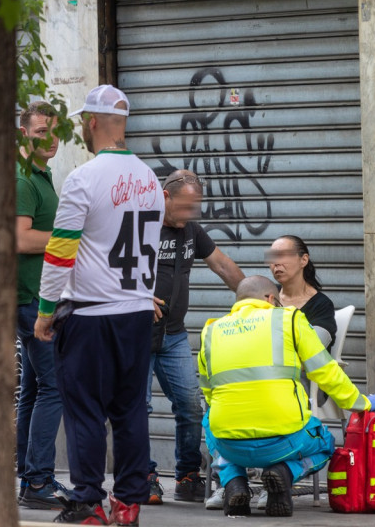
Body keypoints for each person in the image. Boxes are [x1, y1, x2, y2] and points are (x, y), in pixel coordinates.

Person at [33, 85, 165, 525]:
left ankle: (88, 499)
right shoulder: (150, 179)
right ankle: (128, 502)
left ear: (91, 122)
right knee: (130, 411)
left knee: (85, 410)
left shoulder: (83, 178)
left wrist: (45, 311)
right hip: (136, 313)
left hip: (90, 314)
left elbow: (59, 251)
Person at [198, 275, 375, 517]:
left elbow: (209, 393)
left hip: (231, 446)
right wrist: (361, 403)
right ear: (270, 299)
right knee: (326, 443)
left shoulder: (210, 331)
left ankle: (234, 481)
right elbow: (325, 370)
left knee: (210, 420)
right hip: (284, 442)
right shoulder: (289, 319)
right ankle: (285, 471)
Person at [146, 169, 244, 505]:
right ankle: (143, 476)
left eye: (195, 208)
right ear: (165, 196)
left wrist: (255, 301)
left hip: (172, 335)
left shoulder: (191, 231)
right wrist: (136, 296)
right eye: (185, 207)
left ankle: (188, 475)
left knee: (189, 405)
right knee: (138, 407)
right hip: (138, 335)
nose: (189, 214)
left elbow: (222, 265)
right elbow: (110, 266)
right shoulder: (141, 225)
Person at [14, 100, 69, 509]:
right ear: (22, 135)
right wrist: (69, 241)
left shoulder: (42, 175)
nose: (48, 140)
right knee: (55, 388)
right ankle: (38, 482)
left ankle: (29, 475)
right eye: (38, 134)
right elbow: (21, 239)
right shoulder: (23, 180)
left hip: (34, 296)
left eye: (52, 132)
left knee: (33, 390)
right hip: (32, 300)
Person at [267, 235, 336, 349]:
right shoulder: (267, 295)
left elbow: (313, 350)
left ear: (303, 260)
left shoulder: (321, 305)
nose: (276, 263)